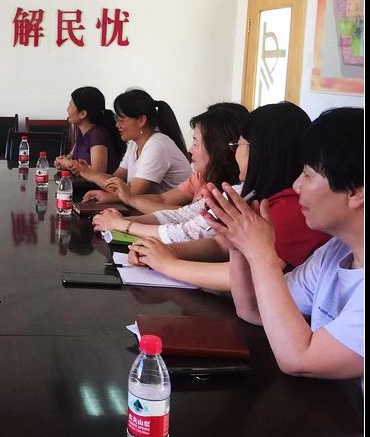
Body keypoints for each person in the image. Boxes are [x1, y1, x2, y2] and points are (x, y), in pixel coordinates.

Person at [202, 108, 363, 379]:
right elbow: (254, 309)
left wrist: (261, 253)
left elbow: (299, 359)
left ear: (355, 192)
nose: (297, 185)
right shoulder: (336, 251)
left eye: (308, 174)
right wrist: (239, 249)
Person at [126, 102, 330, 291]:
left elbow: (248, 277)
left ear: (259, 152)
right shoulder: (259, 196)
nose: (234, 154)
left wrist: (168, 264)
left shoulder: (290, 208)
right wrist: (168, 252)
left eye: (238, 146)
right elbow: (223, 244)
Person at [92, 106, 246, 242]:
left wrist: (122, 223)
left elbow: (184, 231)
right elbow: (177, 213)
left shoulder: (236, 193)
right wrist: (120, 220)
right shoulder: (201, 176)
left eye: (195, 143)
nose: (190, 150)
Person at [77, 88, 191, 202]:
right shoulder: (134, 143)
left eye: (121, 120)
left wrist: (90, 175)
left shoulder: (157, 145)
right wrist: (87, 171)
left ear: (141, 120)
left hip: (173, 211)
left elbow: (133, 192)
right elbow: (116, 179)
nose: (117, 125)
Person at [54, 86, 125, 174]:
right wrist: (62, 160)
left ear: (83, 114)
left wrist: (68, 164)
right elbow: (72, 155)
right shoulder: (83, 132)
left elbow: (98, 173)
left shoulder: (97, 134)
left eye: (71, 105)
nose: (67, 109)